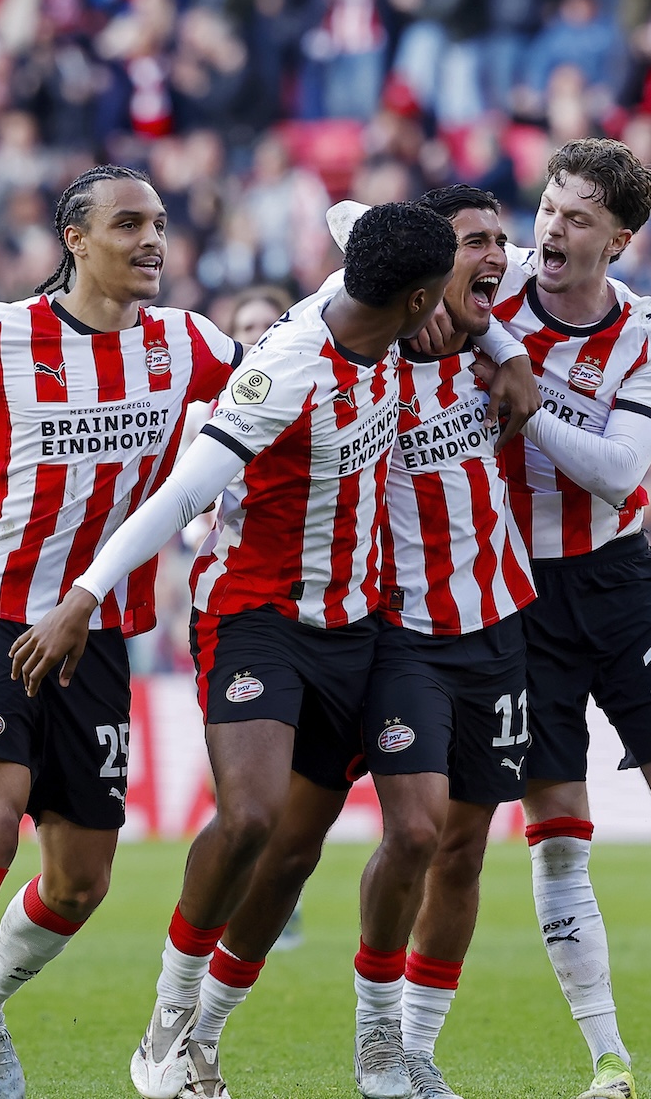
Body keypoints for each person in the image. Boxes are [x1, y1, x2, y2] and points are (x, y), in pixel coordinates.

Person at [8, 202, 460, 1099]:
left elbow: (349, 216)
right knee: (255, 822)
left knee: (412, 831)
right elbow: (182, 496)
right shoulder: (289, 369)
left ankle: (374, 1044)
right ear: (417, 301)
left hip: (368, 623)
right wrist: (85, 597)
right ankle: (172, 1018)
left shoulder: (373, 296)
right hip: (257, 616)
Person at [173, 184, 536, 1099]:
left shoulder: (485, 319)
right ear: (421, 272)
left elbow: (478, 275)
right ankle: (199, 1027)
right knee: (298, 843)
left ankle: (396, 1049)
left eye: (501, 243)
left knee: (451, 846)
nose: (492, 259)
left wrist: (504, 343)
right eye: (471, 246)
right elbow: (349, 216)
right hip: (390, 632)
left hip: (494, 621)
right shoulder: (364, 340)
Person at [0, 166, 242, 1099]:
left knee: (81, 882)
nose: (151, 240)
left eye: (161, 224)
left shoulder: (189, 343)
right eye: (128, 223)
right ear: (74, 237)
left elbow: (285, 371)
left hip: (102, 628)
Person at [462, 138, 651, 1097]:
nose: (552, 225)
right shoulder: (490, 281)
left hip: (619, 580)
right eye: (550, 205)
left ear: (620, 239)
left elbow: (615, 469)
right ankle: (608, 1057)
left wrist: (512, 372)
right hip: (512, 590)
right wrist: (489, 328)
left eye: (579, 215)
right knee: (556, 823)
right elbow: (361, 231)